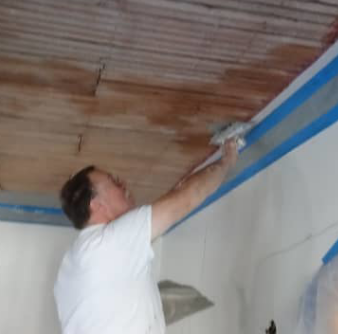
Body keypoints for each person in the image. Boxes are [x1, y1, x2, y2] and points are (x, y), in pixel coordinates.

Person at [53, 138, 238, 334]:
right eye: (114, 182)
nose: (123, 184)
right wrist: (227, 161)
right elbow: (186, 197)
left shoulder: (78, 258)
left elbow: (170, 205)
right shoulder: (111, 243)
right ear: (95, 204)